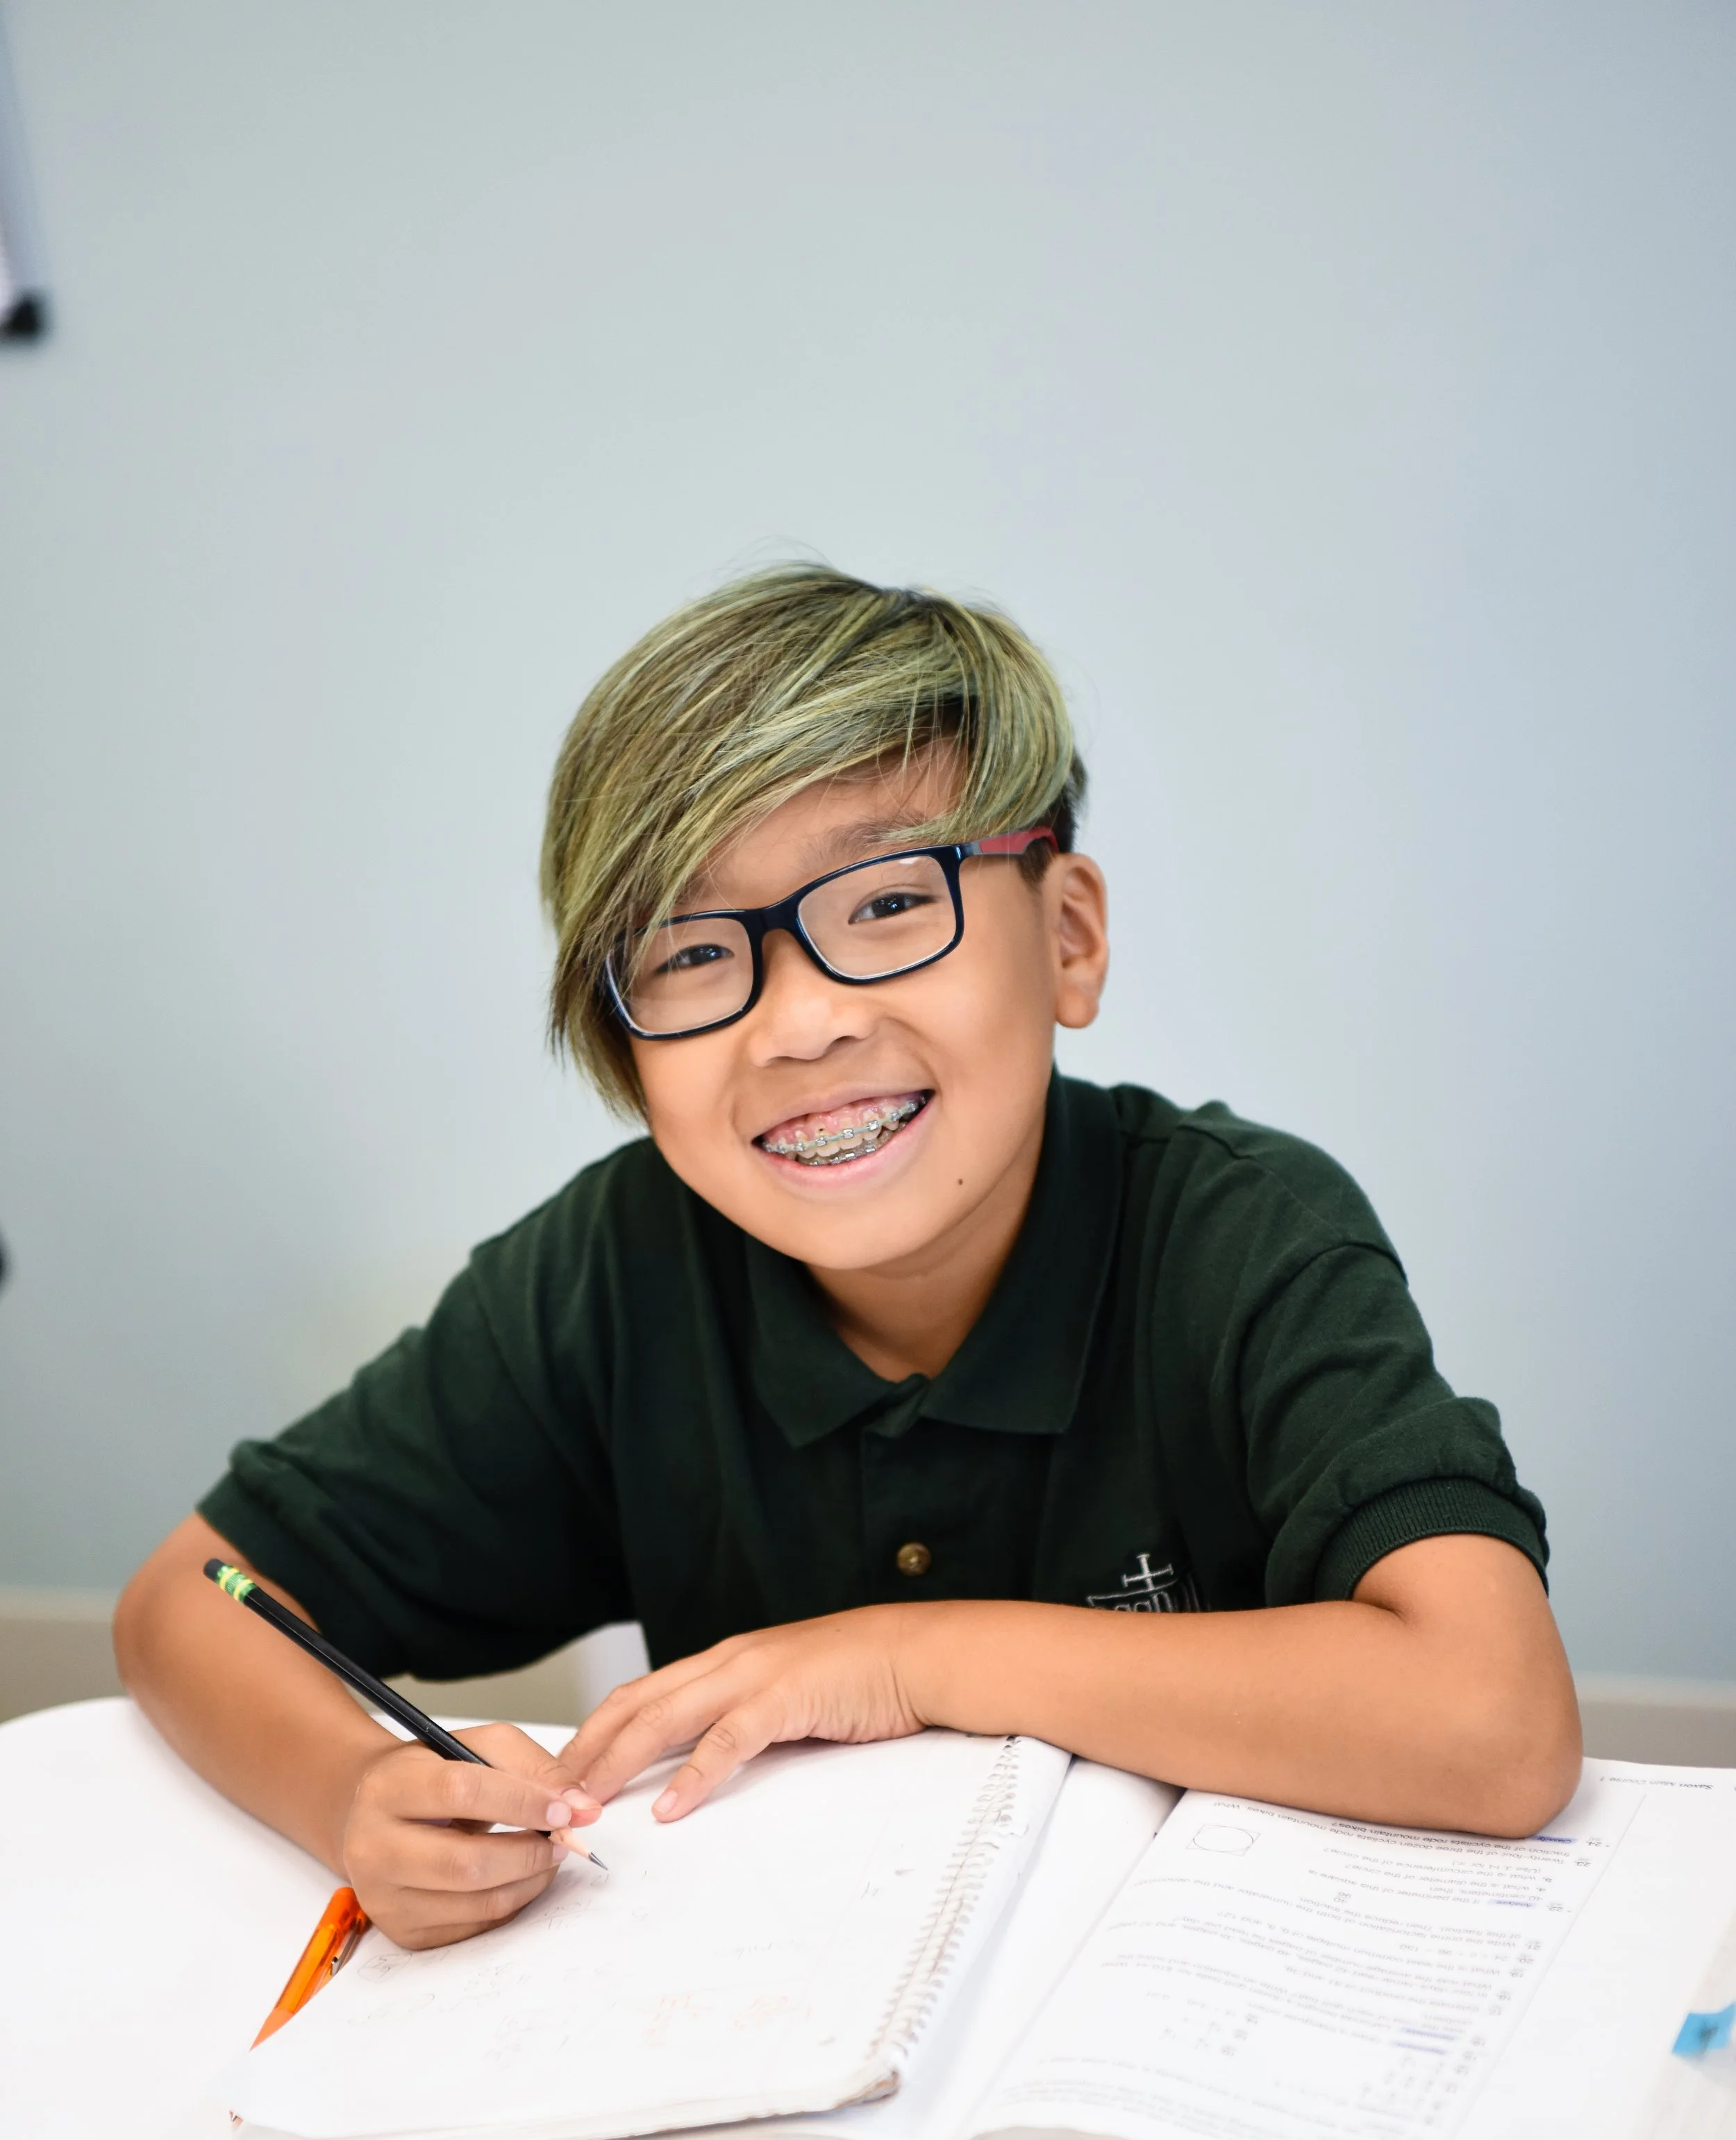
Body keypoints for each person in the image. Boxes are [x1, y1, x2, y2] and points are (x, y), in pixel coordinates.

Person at [115, 565, 1580, 1949]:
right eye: (689, 952)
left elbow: (1493, 1722)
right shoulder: (616, 1275)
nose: (797, 1022)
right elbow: (192, 1597)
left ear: (1064, 936)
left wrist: (907, 1655)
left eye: (885, 902)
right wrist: (352, 1796)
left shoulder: (1235, 1229)